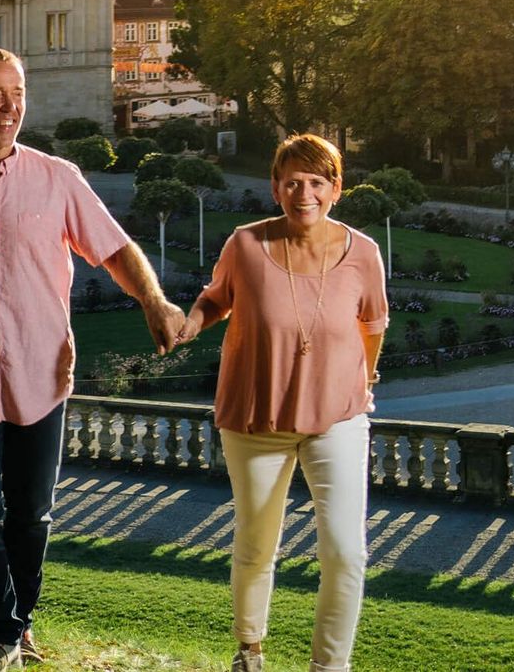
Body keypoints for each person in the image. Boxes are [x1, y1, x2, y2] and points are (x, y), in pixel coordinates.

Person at [0, 46, 185, 672]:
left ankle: (18, 631)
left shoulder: (58, 179)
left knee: (30, 513)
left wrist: (153, 301)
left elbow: (116, 249)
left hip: (42, 370)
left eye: (16, 93)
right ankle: (0, 636)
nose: (10, 106)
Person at [177, 133, 387, 672]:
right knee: (256, 543)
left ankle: (329, 667)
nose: (304, 193)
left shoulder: (362, 252)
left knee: (345, 552)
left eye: (317, 182)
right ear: (275, 187)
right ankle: (250, 651)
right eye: (292, 181)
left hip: (336, 417)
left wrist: (363, 380)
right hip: (255, 416)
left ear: (336, 190)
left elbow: (373, 326)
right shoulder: (245, 244)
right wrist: (190, 324)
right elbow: (215, 298)